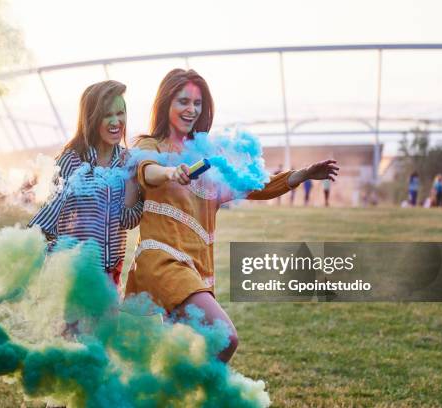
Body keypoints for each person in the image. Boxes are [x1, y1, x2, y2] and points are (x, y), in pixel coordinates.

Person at [124, 69, 338, 363]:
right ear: (165, 103)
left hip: (195, 267)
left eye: (197, 103)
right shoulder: (151, 145)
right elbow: (146, 170)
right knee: (224, 338)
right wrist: (170, 172)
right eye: (183, 101)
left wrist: (301, 175)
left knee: (177, 360)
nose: (191, 110)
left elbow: (254, 185)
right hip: (161, 260)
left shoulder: (207, 153)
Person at [28, 80, 143, 289]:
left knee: (106, 323)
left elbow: (128, 220)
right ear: (92, 118)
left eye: (120, 113)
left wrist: (131, 177)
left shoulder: (127, 161)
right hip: (73, 271)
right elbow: (50, 214)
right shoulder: (72, 159)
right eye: (107, 115)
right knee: (74, 323)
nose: (116, 121)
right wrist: (27, 249)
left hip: (110, 273)